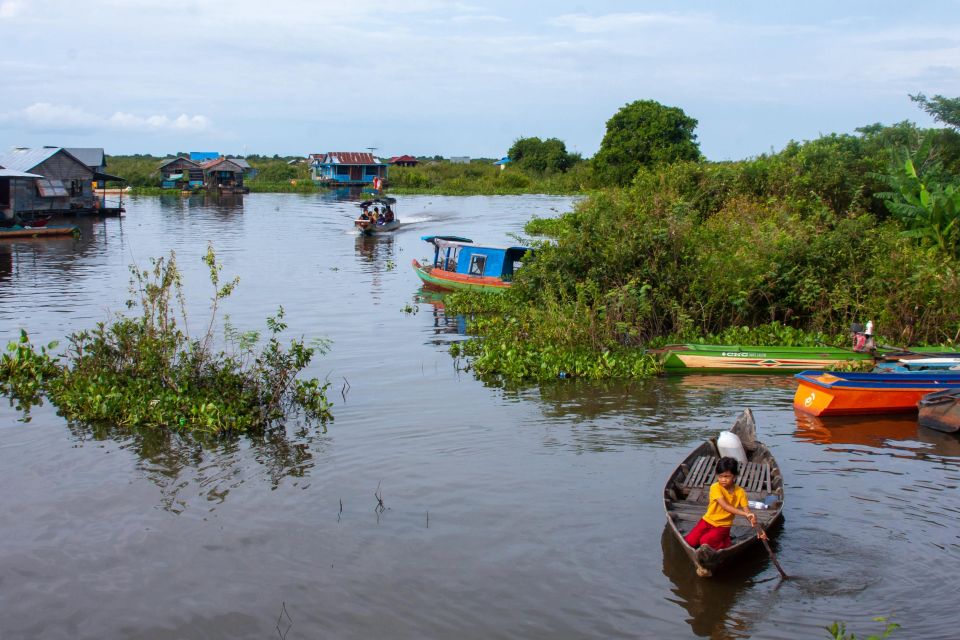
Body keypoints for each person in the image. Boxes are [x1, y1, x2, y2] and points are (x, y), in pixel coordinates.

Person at [684, 457, 765, 550]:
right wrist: (745, 513)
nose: (723, 479)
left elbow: (748, 513)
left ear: (734, 476)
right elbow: (725, 506)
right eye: (720, 476)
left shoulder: (740, 492)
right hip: (707, 521)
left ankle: (725, 543)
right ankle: (724, 539)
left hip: (723, 525)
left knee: (704, 542)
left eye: (727, 476)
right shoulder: (715, 487)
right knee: (690, 542)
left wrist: (759, 530)